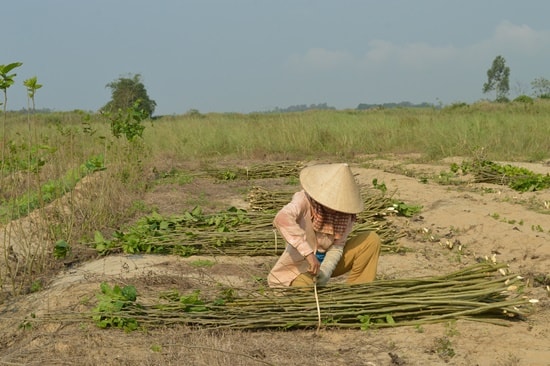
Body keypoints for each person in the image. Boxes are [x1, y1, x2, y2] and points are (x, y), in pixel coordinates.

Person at [268, 163, 381, 288]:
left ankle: (359, 293)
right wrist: (309, 254)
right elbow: (282, 218)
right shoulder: (304, 200)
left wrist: (325, 272)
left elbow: (338, 246)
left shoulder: (346, 213)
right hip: (302, 265)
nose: (334, 207)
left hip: (329, 263)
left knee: (371, 240)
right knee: (305, 287)